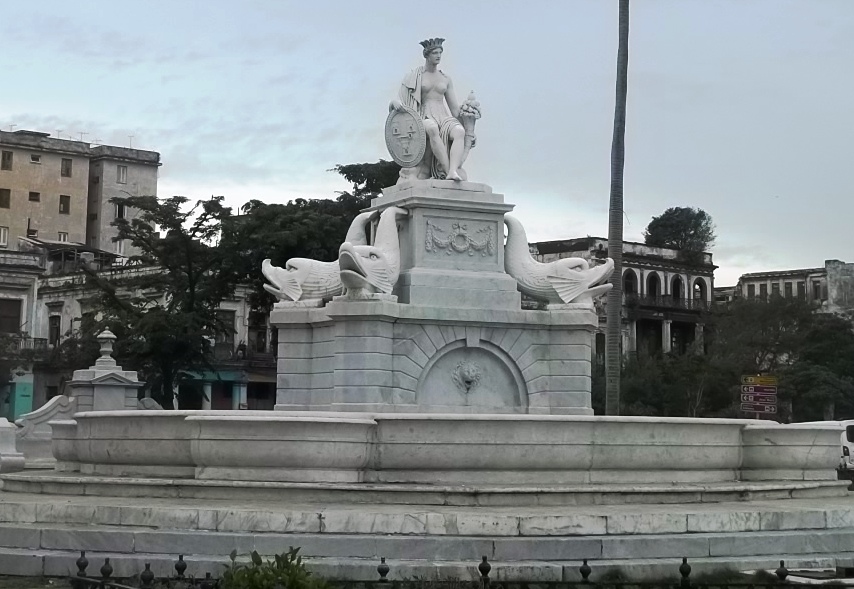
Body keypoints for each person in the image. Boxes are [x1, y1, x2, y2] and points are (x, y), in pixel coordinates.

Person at [390, 38, 472, 181]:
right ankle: (448, 172)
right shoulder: (414, 76)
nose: (438, 56)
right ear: (427, 55)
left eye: (440, 52)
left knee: (459, 132)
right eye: (435, 53)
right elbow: (400, 97)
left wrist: (468, 120)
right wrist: (393, 102)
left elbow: (454, 108)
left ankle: (453, 170)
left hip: (443, 116)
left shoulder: (445, 78)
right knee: (433, 129)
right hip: (422, 115)